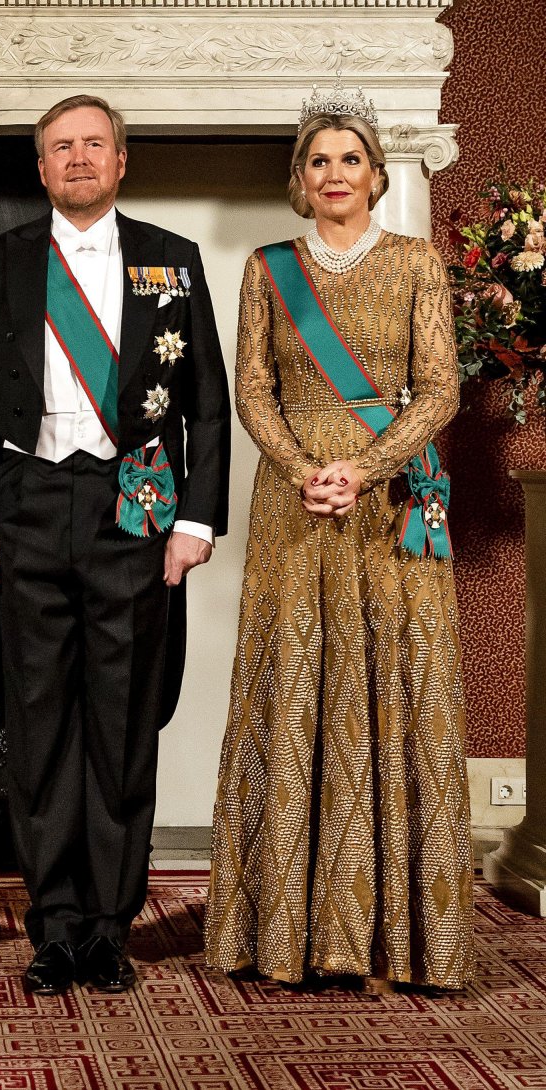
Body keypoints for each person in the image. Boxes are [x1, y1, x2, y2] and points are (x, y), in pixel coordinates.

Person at [0, 95, 231, 996]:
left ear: (121, 160)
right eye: (60, 147)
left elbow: (207, 404)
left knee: (120, 722)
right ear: (40, 168)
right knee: (39, 724)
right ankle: (55, 923)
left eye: (93, 145)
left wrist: (194, 521)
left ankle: (110, 925)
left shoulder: (170, 260)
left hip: (132, 510)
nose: (77, 159)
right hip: (26, 503)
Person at [203, 85, 474, 990]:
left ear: (374, 173)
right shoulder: (265, 267)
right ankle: (282, 931)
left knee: (394, 687)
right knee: (296, 686)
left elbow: (440, 389)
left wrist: (363, 468)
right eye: (318, 160)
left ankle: (396, 936)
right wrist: (300, 469)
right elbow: (251, 389)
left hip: (389, 504)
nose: (334, 174)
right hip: (294, 507)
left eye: (349, 159)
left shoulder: (416, 262)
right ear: (299, 176)